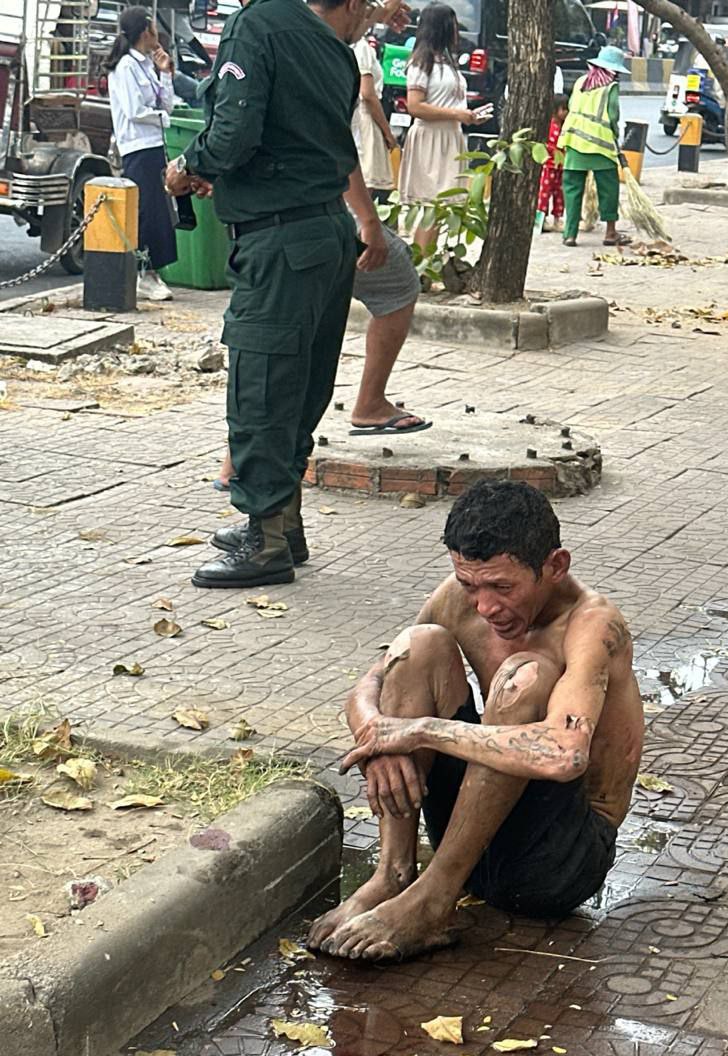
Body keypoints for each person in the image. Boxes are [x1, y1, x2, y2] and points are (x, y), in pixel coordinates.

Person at [307, 480, 645, 962]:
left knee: (524, 676)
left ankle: (432, 900)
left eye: (503, 588)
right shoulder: (457, 598)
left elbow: (565, 753)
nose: (485, 607)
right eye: (470, 585)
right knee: (418, 645)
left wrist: (418, 731)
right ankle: (393, 874)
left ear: (555, 566)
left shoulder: (593, 623)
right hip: (473, 837)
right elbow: (371, 686)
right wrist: (377, 737)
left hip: (557, 862)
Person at [164, 0, 390, 590]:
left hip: (281, 241)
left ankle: (263, 541)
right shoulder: (333, 48)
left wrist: (190, 165)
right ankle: (284, 524)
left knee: (262, 388)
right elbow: (308, 140)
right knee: (301, 386)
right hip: (325, 232)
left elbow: (234, 131)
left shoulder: (254, 25)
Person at [106, 7, 177, 303]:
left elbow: (166, 103)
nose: (158, 33)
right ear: (145, 32)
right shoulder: (125, 67)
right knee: (147, 212)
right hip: (137, 146)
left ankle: (154, 271)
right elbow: (135, 110)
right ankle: (144, 272)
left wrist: (166, 73)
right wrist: (163, 118)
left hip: (154, 144)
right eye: (154, 27)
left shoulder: (147, 65)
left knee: (160, 211)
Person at [398, 3, 480, 256]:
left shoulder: (447, 61)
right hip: (431, 139)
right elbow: (415, 106)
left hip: (451, 137)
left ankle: (427, 261)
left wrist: (467, 115)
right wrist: (456, 114)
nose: (458, 31)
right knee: (432, 206)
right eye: (453, 26)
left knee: (442, 207)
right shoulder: (421, 62)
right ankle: (420, 263)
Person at [556, 45, 631, 249]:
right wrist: (615, 135)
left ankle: (570, 234)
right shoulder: (610, 88)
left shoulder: (581, 81)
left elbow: (572, 106)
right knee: (608, 189)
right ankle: (610, 232)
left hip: (574, 142)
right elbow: (613, 115)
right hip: (600, 146)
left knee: (572, 190)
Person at [353, 30, 398, 197]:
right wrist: (387, 133)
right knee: (363, 187)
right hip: (365, 119)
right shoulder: (362, 47)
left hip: (354, 115)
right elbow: (368, 95)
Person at [538, 95, 568, 232]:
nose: (566, 112)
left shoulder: (565, 127)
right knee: (544, 193)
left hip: (561, 166)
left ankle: (557, 219)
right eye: (563, 109)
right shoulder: (549, 126)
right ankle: (541, 219)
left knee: (559, 194)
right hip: (549, 165)